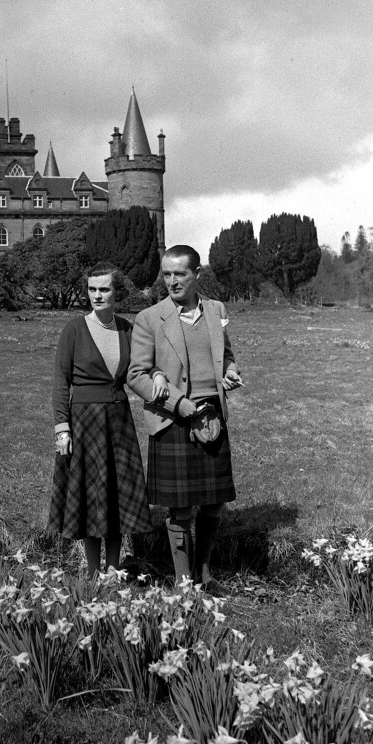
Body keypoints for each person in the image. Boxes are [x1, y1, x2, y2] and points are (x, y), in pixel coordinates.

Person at [128, 245, 243, 595]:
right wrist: (179, 405)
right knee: (179, 509)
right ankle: (183, 585)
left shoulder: (215, 311)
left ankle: (203, 576)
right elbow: (136, 375)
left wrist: (232, 371)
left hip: (211, 418)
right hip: (173, 419)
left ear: (197, 275)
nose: (172, 281)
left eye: (180, 274)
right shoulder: (150, 317)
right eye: (167, 274)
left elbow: (226, 354)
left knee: (213, 503)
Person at [49, 262, 158, 578]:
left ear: (116, 292)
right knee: (91, 496)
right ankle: (94, 571)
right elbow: (60, 379)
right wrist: (62, 428)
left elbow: (144, 367)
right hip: (84, 422)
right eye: (92, 289)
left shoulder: (127, 329)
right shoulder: (74, 330)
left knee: (116, 496)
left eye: (104, 289)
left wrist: (160, 376)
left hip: (119, 421)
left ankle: (114, 571)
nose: (97, 295)